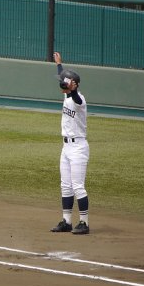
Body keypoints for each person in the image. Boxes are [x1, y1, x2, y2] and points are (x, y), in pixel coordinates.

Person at [50, 52, 90, 235]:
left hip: (78, 148)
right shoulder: (67, 96)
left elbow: (76, 98)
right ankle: (66, 221)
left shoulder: (79, 100)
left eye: (66, 83)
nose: (62, 85)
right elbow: (62, 79)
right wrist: (59, 64)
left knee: (77, 186)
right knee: (65, 185)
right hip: (66, 147)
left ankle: (84, 222)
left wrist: (73, 90)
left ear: (74, 85)